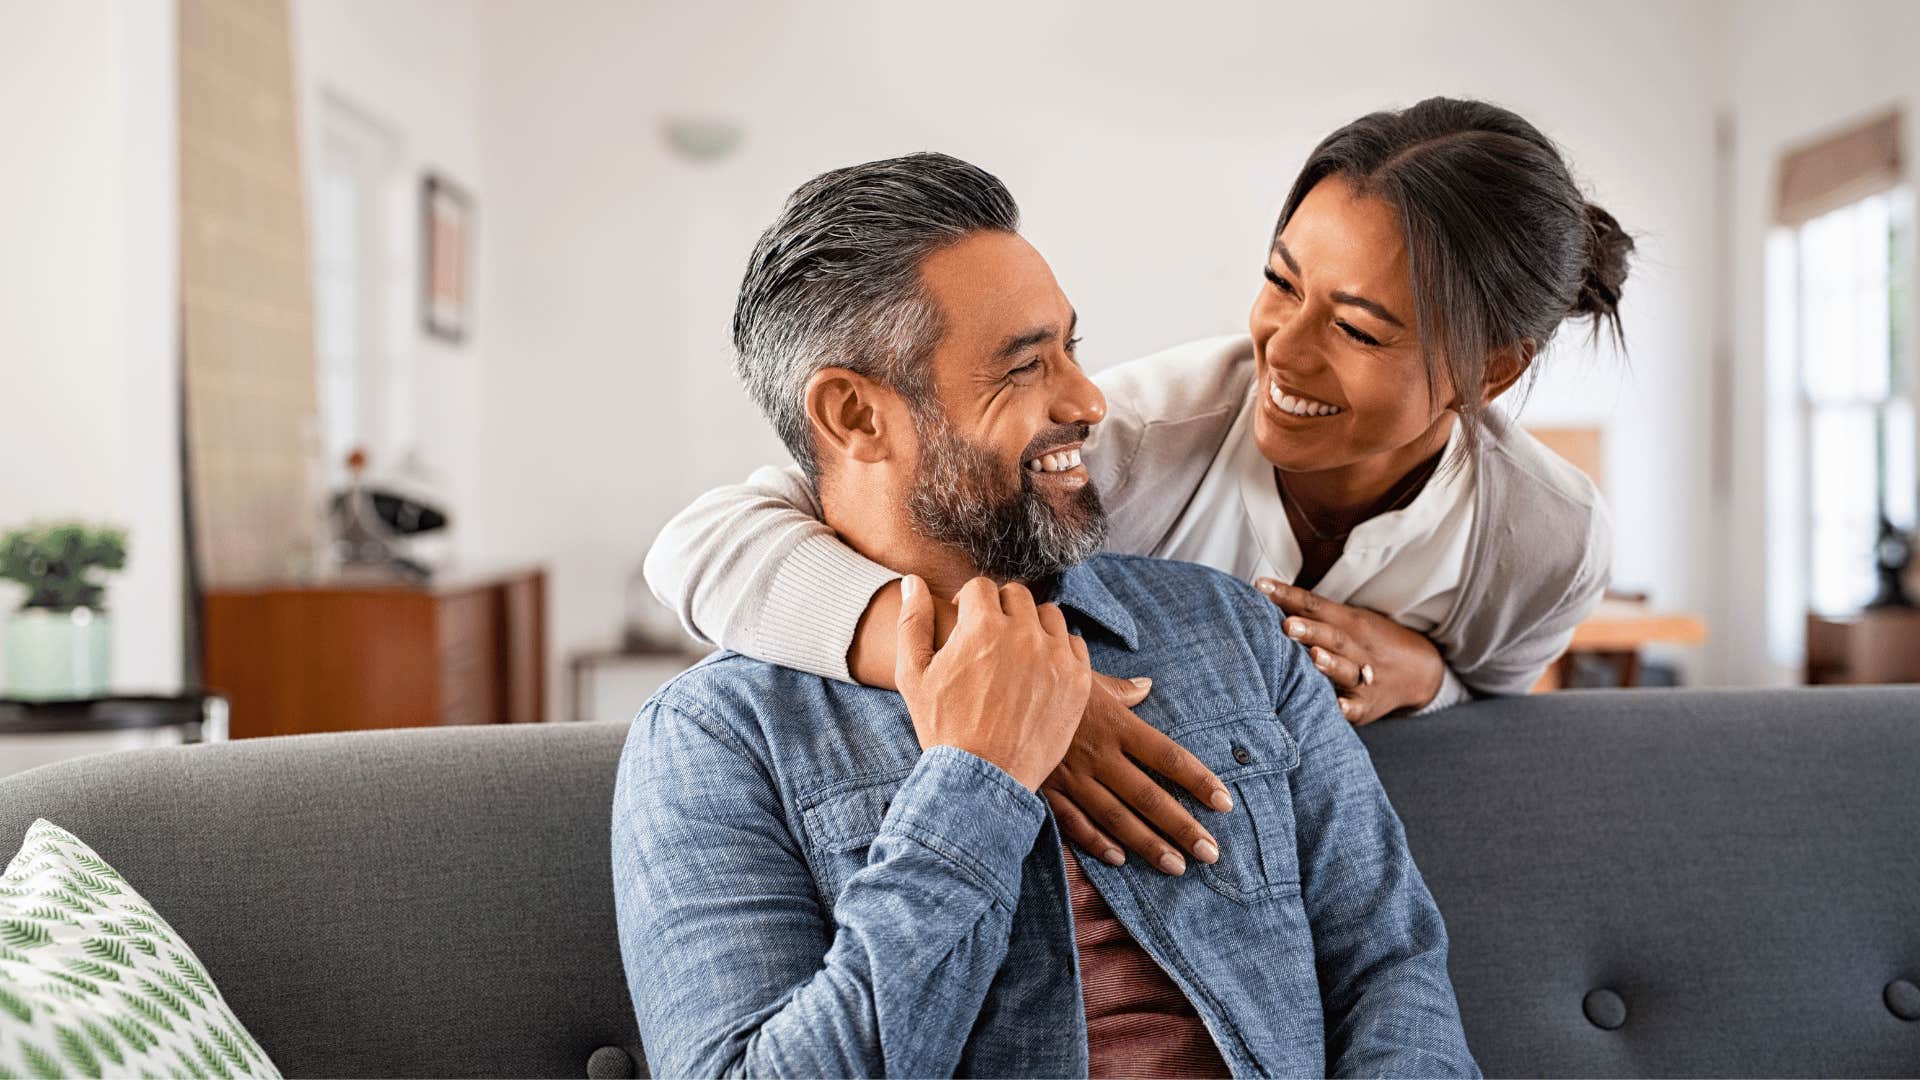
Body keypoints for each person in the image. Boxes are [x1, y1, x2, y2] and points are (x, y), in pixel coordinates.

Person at [612, 152, 1476, 1078]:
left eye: (1072, 346)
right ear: (857, 416)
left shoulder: (1233, 633)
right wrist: (973, 782)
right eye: (1026, 365)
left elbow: (1393, 970)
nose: (1088, 399)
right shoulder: (716, 742)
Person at [644, 97, 1627, 876]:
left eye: (1360, 328)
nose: (1282, 347)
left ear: (1490, 371)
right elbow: (703, 545)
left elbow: (1499, 719)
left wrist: (1431, 680)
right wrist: (998, 680)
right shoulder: (1137, 440)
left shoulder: (1545, 539)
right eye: (1280, 283)